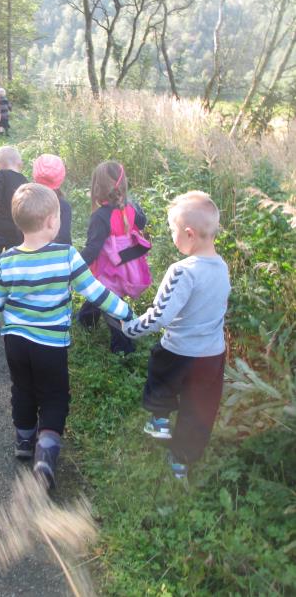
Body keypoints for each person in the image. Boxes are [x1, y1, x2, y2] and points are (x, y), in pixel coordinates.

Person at [0, 183, 133, 489]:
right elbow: (95, 292)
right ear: (52, 221)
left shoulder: (7, 260)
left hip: (16, 343)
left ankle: (24, 440)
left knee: (22, 389)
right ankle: (45, 456)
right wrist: (124, 311)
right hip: (51, 343)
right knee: (54, 395)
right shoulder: (66, 256)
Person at [121, 190, 231, 480]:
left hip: (179, 351)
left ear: (190, 233)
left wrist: (130, 328)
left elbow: (161, 315)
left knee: (161, 376)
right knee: (199, 409)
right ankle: (181, 461)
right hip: (211, 356)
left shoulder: (182, 271)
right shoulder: (222, 268)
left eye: (173, 230)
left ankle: (159, 419)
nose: (172, 236)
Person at [78, 160, 152, 354]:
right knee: (101, 295)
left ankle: (124, 346)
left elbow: (93, 249)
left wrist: (75, 265)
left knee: (111, 304)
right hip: (128, 263)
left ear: (97, 188)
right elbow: (142, 223)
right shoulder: (131, 207)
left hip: (109, 268)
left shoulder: (100, 216)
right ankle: (86, 320)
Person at [0, 145, 28, 283]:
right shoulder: (25, 181)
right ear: (19, 163)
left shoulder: (0, 174)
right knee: (12, 261)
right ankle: (10, 285)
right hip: (16, 230)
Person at [32, 154, 72, 245]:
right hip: (58, 257)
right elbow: (64, 238)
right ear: (61, 177)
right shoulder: (63, 206)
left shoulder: (27, 202)